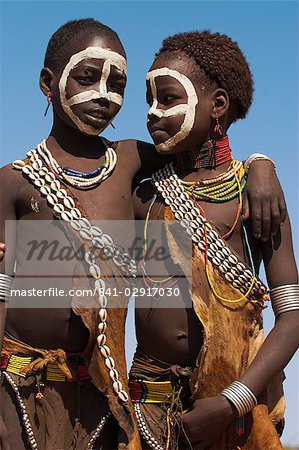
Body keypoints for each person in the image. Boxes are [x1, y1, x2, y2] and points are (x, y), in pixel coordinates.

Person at [0, 18, 285, 450]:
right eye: (87, 76)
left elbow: (201, 150)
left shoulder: (138, 166)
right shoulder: (25, 181)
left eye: (118, 84)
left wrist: (263, 165)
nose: (105, 96)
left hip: (127, 400)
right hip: (47, 390)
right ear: (48, 82)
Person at [130, 31, 299, 449]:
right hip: (148, 406)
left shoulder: (255, 198)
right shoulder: (143, 195)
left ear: (218, 105)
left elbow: (293, 318)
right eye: (148, 100)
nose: (152, 112)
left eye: (168, 99)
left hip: (234, 408)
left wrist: (229, 403)